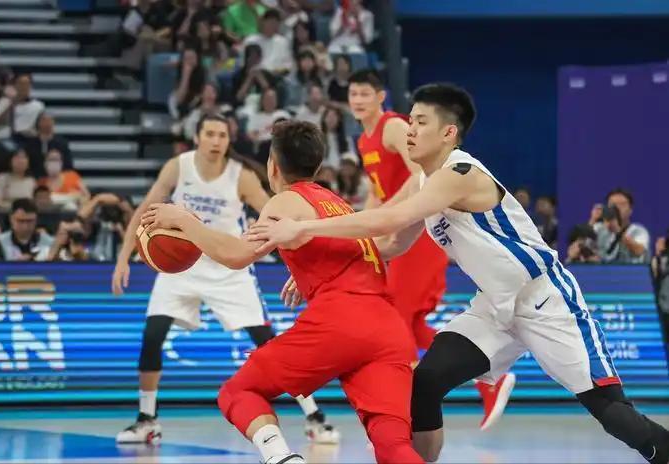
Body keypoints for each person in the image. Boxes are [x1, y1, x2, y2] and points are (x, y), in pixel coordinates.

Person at [249, 83, 669, 464]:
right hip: (494, 308)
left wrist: (305, 228)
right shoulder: (425, 182)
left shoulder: (460, 174)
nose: (410, 130)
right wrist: (320, 262)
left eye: (420, 122)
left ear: (448, 133)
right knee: (424, 383)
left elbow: (388, 219)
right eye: (410, 120)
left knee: (613, 415)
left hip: (545, 299)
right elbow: (391, 243)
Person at [140, 120, 424, 464]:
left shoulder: (285, 201)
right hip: (388, 328)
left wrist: (185, 221)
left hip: (342, 320)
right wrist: (307, 271)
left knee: (239, 391)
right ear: (317, 166)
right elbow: (381, 246)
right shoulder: (337, 203)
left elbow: (236, 255)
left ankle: (280, 458)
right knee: (392, 442)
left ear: (273, 166)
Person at [110, 114, 337, 445]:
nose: (216, 140)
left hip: (229, 265)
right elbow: (146, 209)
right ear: (197, 137)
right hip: (182, 268)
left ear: (229, 140)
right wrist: (123, 257)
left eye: (222, 135)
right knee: (153, 336)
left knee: (267, 341)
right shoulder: (178, 167)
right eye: (210, 134)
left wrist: (299, 264)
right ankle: (147, 420)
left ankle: (314, 417)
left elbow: (281, 216)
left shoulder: (241, 176)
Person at [349, 69, 514, 428]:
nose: (358, 101)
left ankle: (406, 409)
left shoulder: (393, 127)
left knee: (398, 319)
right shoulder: (363, 140)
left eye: (365, 94)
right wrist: (360, 225)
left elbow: (420, 178)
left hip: (418, 229)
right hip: (401, 227)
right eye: (353, 94)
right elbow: (378, 192)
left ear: (380, 97)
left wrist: (387, 216)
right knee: (409, 322)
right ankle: (486, 376)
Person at [589, 188, 650, 264]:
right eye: (612, 204)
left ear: (630, 210)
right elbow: (583, 248)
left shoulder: (638, 231)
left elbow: (639, 251)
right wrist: (592, 221)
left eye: (622, 204)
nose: (617, 208)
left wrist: (617, 231)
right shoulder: (598, 228)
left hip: (629, 270)